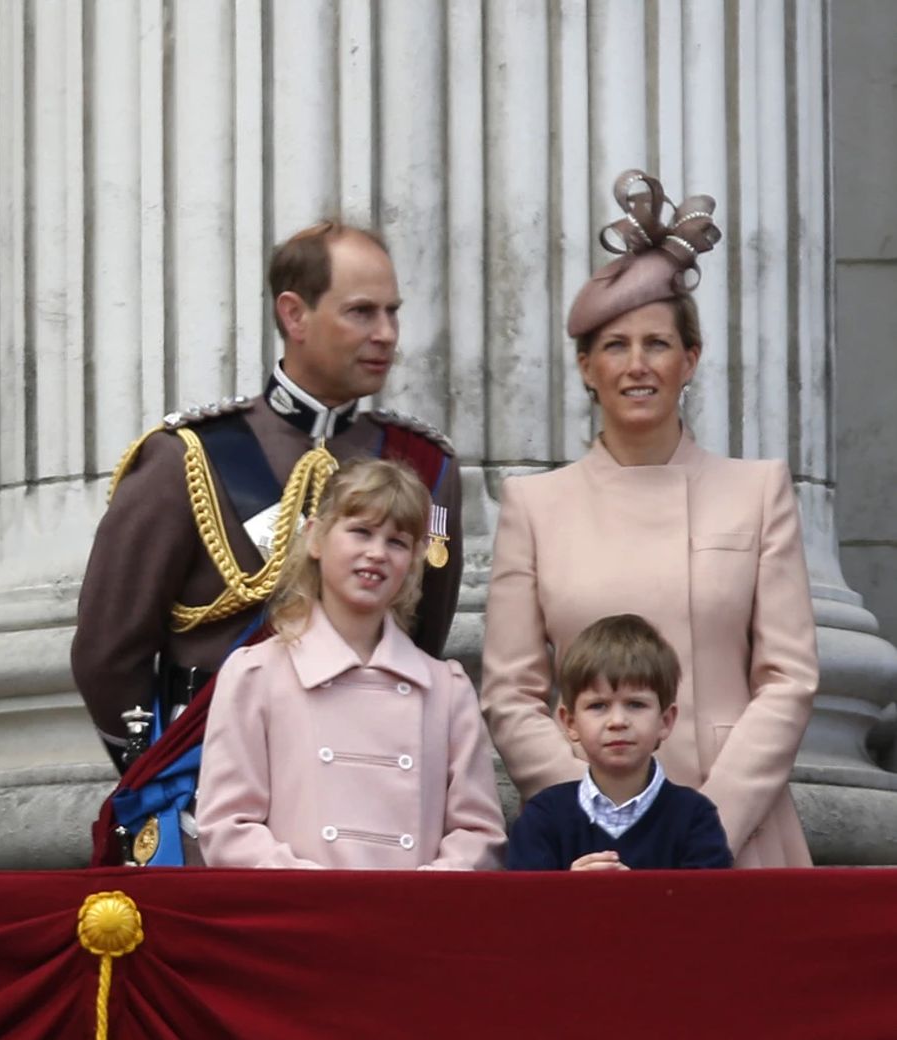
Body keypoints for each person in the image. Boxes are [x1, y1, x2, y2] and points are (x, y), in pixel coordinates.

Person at [481, 169, 819, 869]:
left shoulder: (757, 491)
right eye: (614, 346)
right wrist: (604, 815)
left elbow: (788, 677)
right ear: (585, 366)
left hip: (737, 833)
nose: (638, 366)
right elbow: (511, 694)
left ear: (690, 359)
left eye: (658, 344)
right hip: (586, 852)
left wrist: (695, 827)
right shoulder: (534, 505)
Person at [72, 220, 462, 775]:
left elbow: (423, 635)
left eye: (392, 311)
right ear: (294, 314)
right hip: (213, 774)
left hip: (367, 774)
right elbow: (107, 653)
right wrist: (157, 776)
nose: (387, 333)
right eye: (361, 312)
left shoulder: (426, 468)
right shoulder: (188, 458)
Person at [196, 459, 506, 871]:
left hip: (411, 921)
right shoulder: (256, 675)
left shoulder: (445, 689)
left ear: (414, 558)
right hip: (301, 918)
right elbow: (227, 826)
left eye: (397, 542)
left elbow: (478, 833)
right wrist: (318, 892)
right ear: (316, 538)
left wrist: (424, 889)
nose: (377, 553)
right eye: (360, 531)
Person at [507, 615, 732, 871]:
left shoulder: (695, 817)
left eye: (635, 704)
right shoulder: (542, 817)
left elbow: (710, 908)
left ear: (665, 721)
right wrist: (566, 892)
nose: (617, 721)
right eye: (598, 706)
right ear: (570, 723)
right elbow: (522, 907)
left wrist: (635, 895)